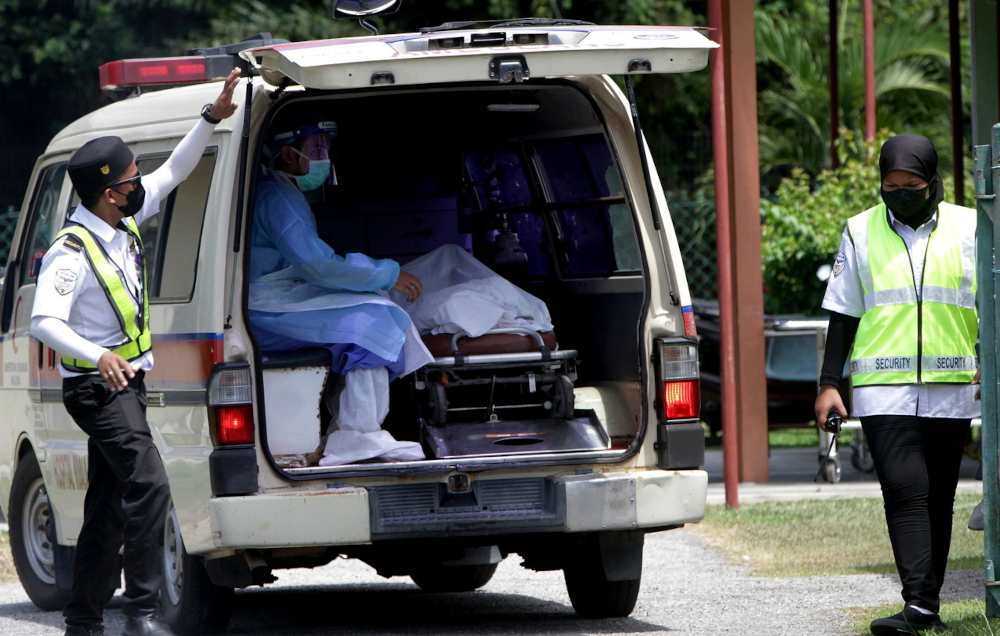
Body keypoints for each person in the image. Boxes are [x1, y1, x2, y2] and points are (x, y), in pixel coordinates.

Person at [31, 69, 241, 636]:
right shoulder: (71, 252)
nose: (140, 184)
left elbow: (174, 172)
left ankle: (83, 622)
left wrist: (211, 117)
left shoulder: (122, 220)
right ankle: (142, 612)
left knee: (106, 508)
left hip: (128, 384)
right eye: (131, 179)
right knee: (150, 484)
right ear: (109, 194)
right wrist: (98, 356)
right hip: (97, 390)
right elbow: (44, 321)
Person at [814, 134, 979, 636]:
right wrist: (828, 384)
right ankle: (918, 605)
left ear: (933, 182)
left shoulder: (971, 227)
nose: (901, 194)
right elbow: (843, 312)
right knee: (906, 489)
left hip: (952, 385)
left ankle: (925, 608)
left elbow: (989, 301)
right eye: (891, 186)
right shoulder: (860, 230)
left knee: (939, 496)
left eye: (912, 185)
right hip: (883, 386)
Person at [249, 113, 432, 466]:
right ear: (287, 154)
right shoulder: (278, 197)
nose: (324, 158)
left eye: (326, 149)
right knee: (371, 323)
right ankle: (358, 437)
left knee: (373, 307)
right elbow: (317, 265)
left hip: (275, 298)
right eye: (317, 149)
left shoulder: (278, 191)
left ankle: (346, 431)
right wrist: (386, 274)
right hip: (265, 307)